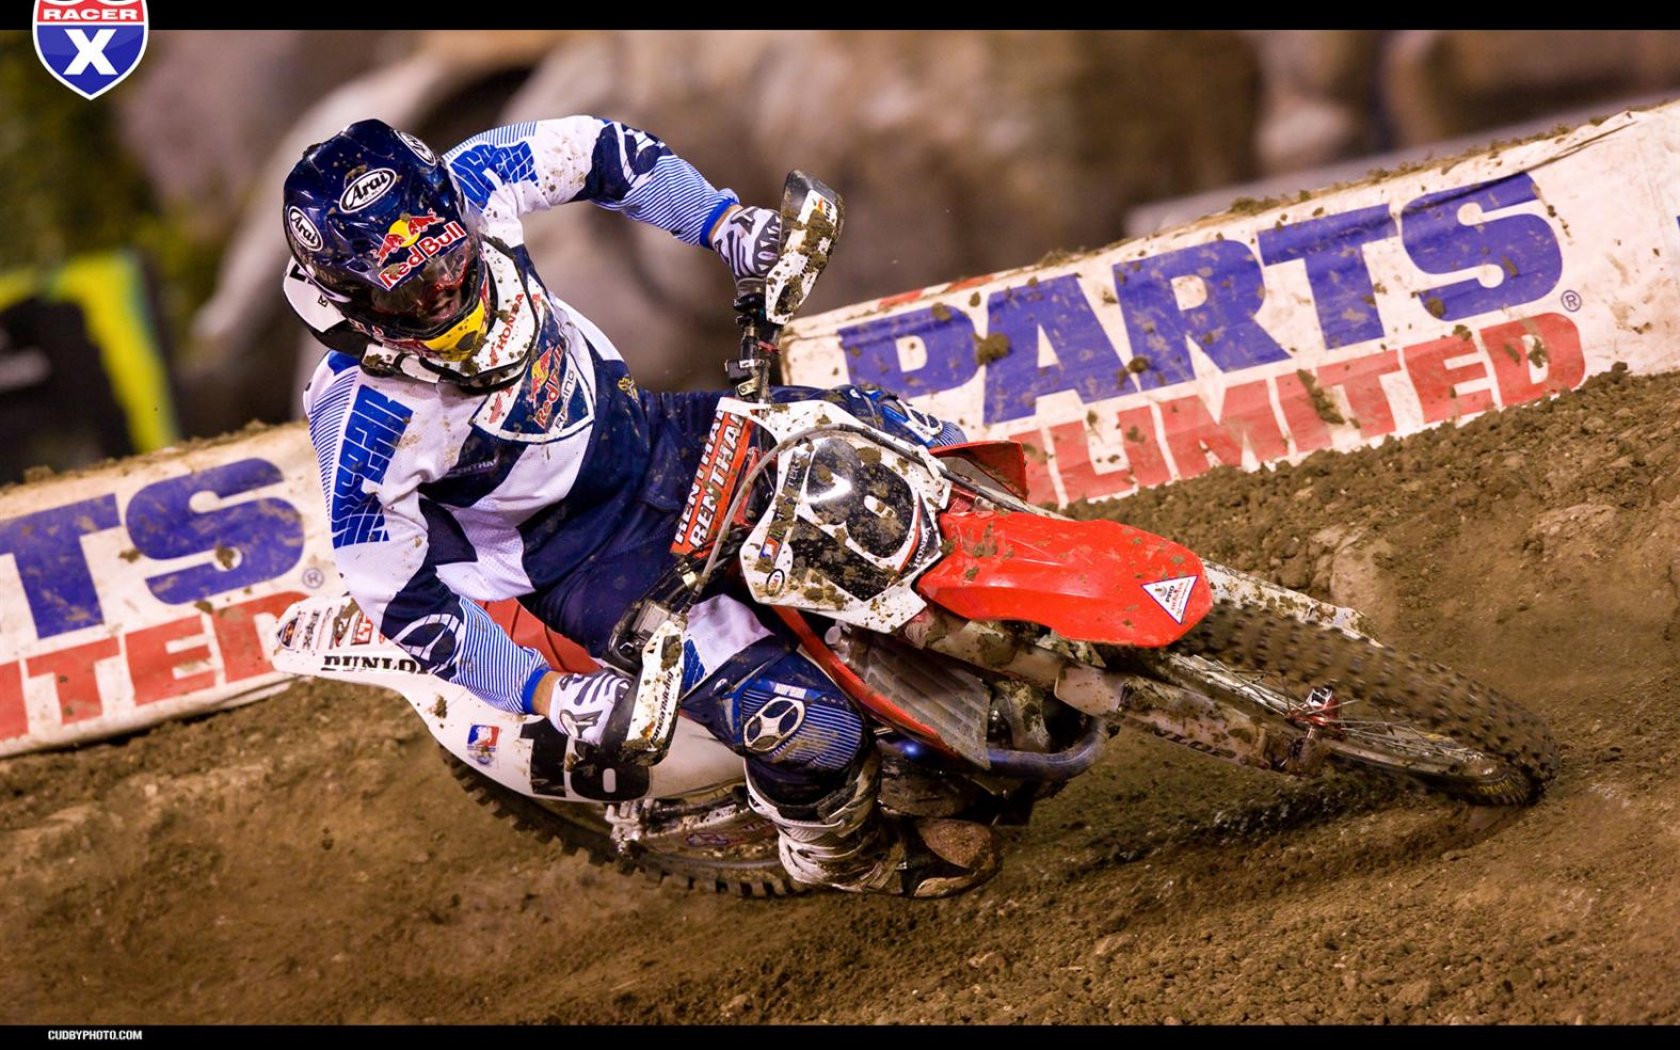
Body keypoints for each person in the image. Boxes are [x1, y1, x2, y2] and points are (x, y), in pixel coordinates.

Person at [279, 116, 999, 898]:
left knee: (898, 436)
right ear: (353, 299)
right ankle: (839, 855)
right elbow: (401, 599)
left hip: (663, 437)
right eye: (413, 290)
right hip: (589, 564)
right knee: (808, 729)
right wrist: (550, 695)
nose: (447, 290)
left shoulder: (475, 178)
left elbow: (604, 152)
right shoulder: (362, 419)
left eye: (450, 259)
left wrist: (727, 227)